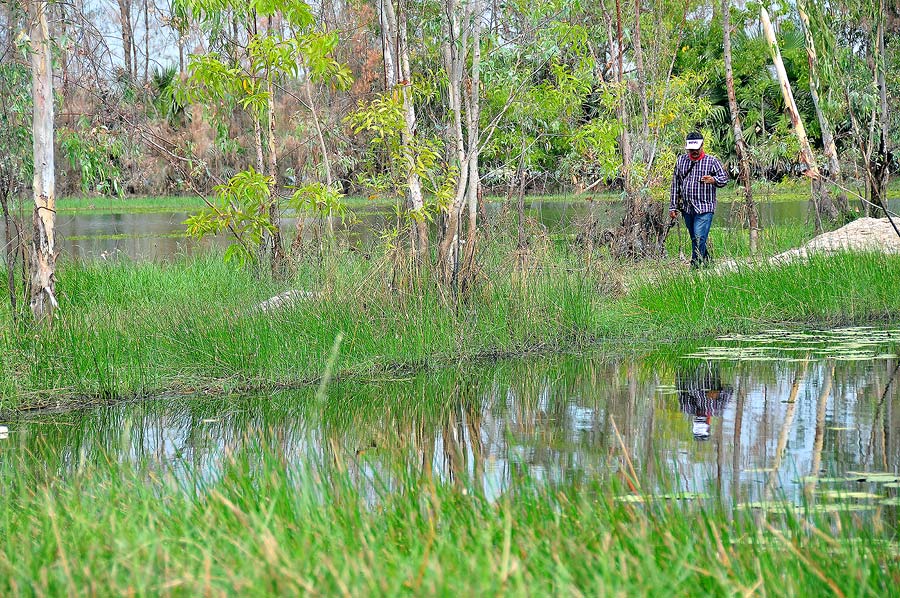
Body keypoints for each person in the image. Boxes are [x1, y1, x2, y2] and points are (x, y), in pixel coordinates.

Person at [669, 132, 729, 268]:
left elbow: (724, 179)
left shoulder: (712, 161)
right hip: (687, 208)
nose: (694, 151)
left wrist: (714, 180)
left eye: (696, 148)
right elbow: (675, 185)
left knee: (699, 237)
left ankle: (694, 268)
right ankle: (708, 263)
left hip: (705, 207)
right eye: (691, 149)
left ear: (702, 146)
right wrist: (673, 207)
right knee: (695, 238)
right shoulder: (681, 161)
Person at [675, 362, 733, 442]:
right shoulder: (687, 408)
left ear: (708, 421)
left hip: (708, 363)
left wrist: (718, 393)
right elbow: (678, 380)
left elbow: (729, 390)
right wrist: (718, 392)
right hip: (693, 363)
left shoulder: (717, 409)